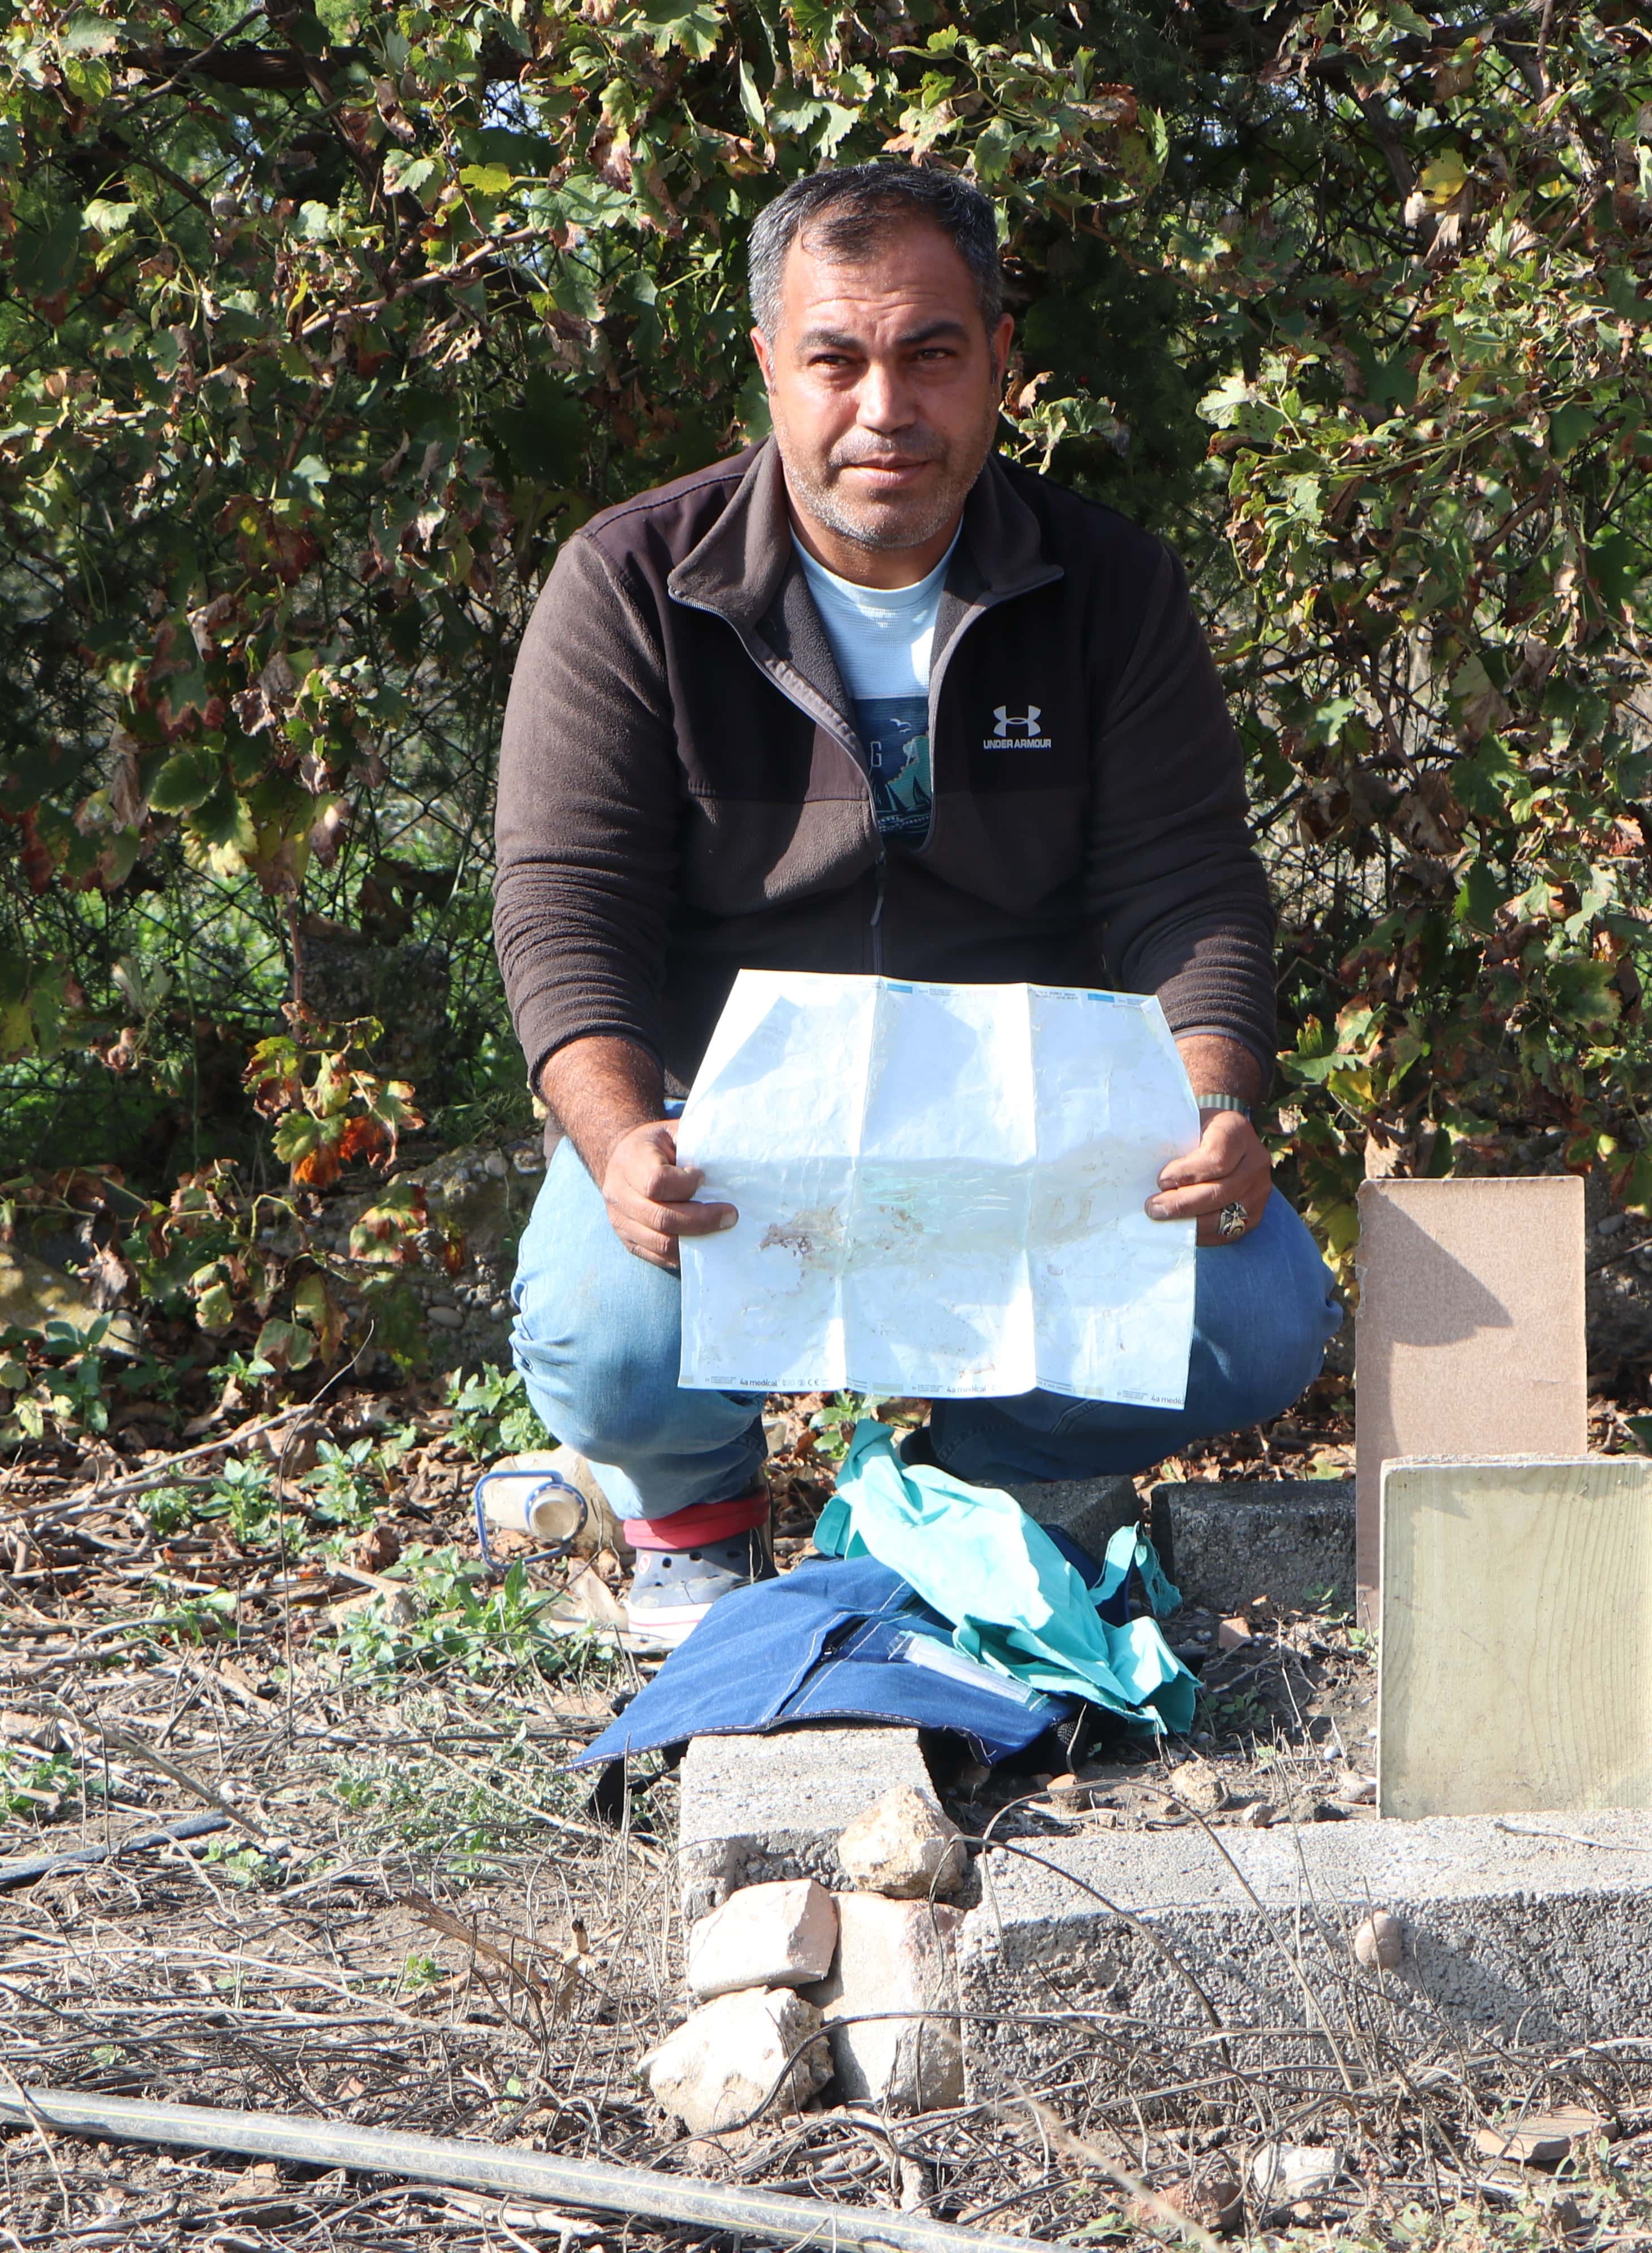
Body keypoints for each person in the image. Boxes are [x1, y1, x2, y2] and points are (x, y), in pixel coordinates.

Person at [489, 162, 1338, 1648]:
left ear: (1000, 359)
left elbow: (1189, 890)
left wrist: (1211, 1101)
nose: (884, 408)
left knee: (1261, 1313)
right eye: (836, 359)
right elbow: (567, 912)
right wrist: (623, 1145)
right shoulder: (630, 582)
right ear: (769, 364)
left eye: (931, 354)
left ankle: (969, 1482)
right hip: (724, 1130)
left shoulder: (1112, 586)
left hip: (1024, 1136)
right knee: (606, 1338)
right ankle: (689, 1509)